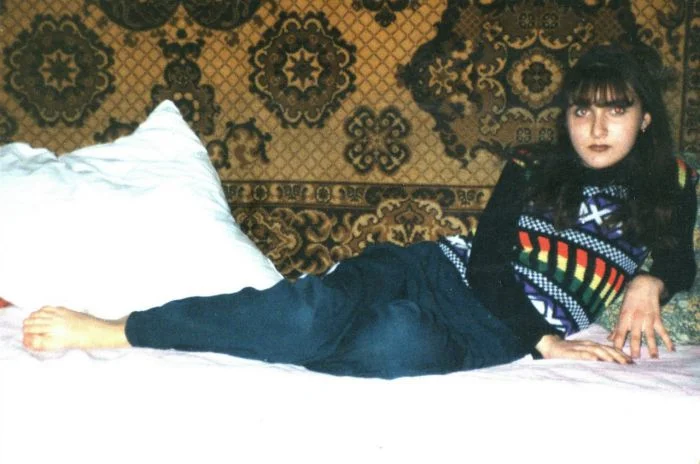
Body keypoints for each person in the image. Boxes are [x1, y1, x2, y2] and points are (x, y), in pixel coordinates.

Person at [22, 44, 698, 379]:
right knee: (312, 314)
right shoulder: (530, 164)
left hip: (489, 334)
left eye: (616, 110)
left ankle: (264, 331)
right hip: (436, 271)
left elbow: (680, 257)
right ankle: (122, 328)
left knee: (393, 347)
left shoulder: (672, 178)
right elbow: (491, 261)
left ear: (644, 117)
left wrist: (650, 279)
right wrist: (546, 340)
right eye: (582, 111)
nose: (597, 128)